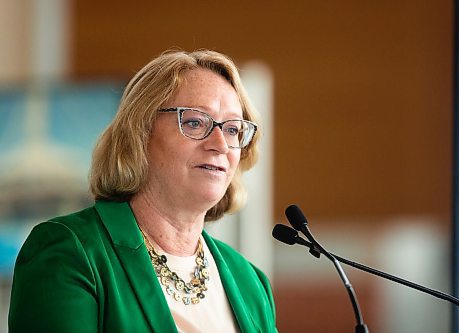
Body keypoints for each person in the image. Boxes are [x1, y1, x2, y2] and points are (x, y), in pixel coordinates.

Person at [9, 49, 277, 333]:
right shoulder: (70, 252)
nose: (221, 145)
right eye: (195, 122)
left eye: (233, 129)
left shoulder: (250, 282)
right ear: (140, 133)